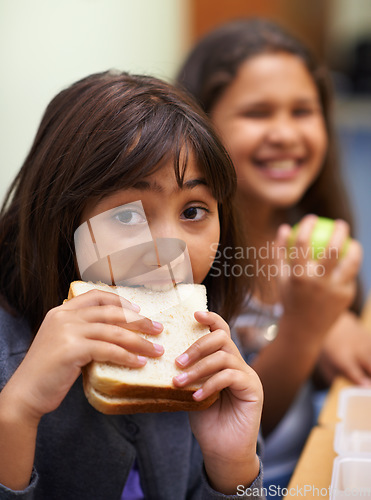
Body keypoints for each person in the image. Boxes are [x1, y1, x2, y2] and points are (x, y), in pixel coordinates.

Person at [0, 71, 265, 499]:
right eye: (126, 216)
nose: (169, 249)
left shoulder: (207, 352)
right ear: (61, 220)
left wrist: (233, 464)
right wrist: (15, 414)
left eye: (194, 211)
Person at [176, 18, 366, 492]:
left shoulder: (308, 234)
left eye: (302, 111)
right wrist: (307, 327)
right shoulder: (190, 259)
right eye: (258, 113)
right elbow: (233, 431)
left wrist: (333, 324)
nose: (284, 133)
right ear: (201, 125)